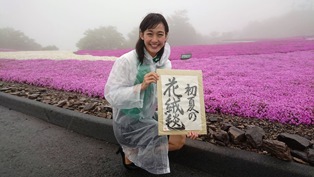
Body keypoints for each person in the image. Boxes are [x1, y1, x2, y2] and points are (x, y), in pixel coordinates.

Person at [104, 13, 198, 175]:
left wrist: (189, 122)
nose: (155, 40)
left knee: (179, 139)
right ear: (141, 35)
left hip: (148, 114)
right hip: (129, 121)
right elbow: (112, 95)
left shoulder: (164, 63)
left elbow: (171, 97)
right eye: (150, 34)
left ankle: (134, 151)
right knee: (160, 136)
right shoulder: (126, 61)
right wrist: (141, 86)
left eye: (160, 34)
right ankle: (130, 152)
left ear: (166, 37)